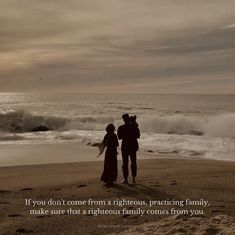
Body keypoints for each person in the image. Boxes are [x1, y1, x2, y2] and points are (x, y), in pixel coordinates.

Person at [117, 114, 140, 184]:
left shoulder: (121, 128)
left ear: (124, 119)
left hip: (125, 146)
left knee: (125, 163)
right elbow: (138, 136)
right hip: (133, 146)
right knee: (133, 162)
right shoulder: (134, 127)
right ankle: (133, 179)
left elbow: (119, 137)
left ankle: (126, 179)